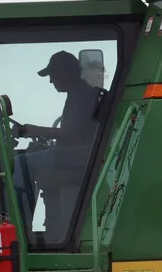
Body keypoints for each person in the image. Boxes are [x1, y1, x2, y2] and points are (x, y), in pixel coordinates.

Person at [10, 50, 103, 230]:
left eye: (53, 75)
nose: (51, 80)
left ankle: (18, 227)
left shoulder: (82, 95)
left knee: (20, 163)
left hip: (78, 156)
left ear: (67, 73)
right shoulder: (79, 93)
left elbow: (74, 134)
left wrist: (34, 129)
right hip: (75, 153)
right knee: (32, 153)